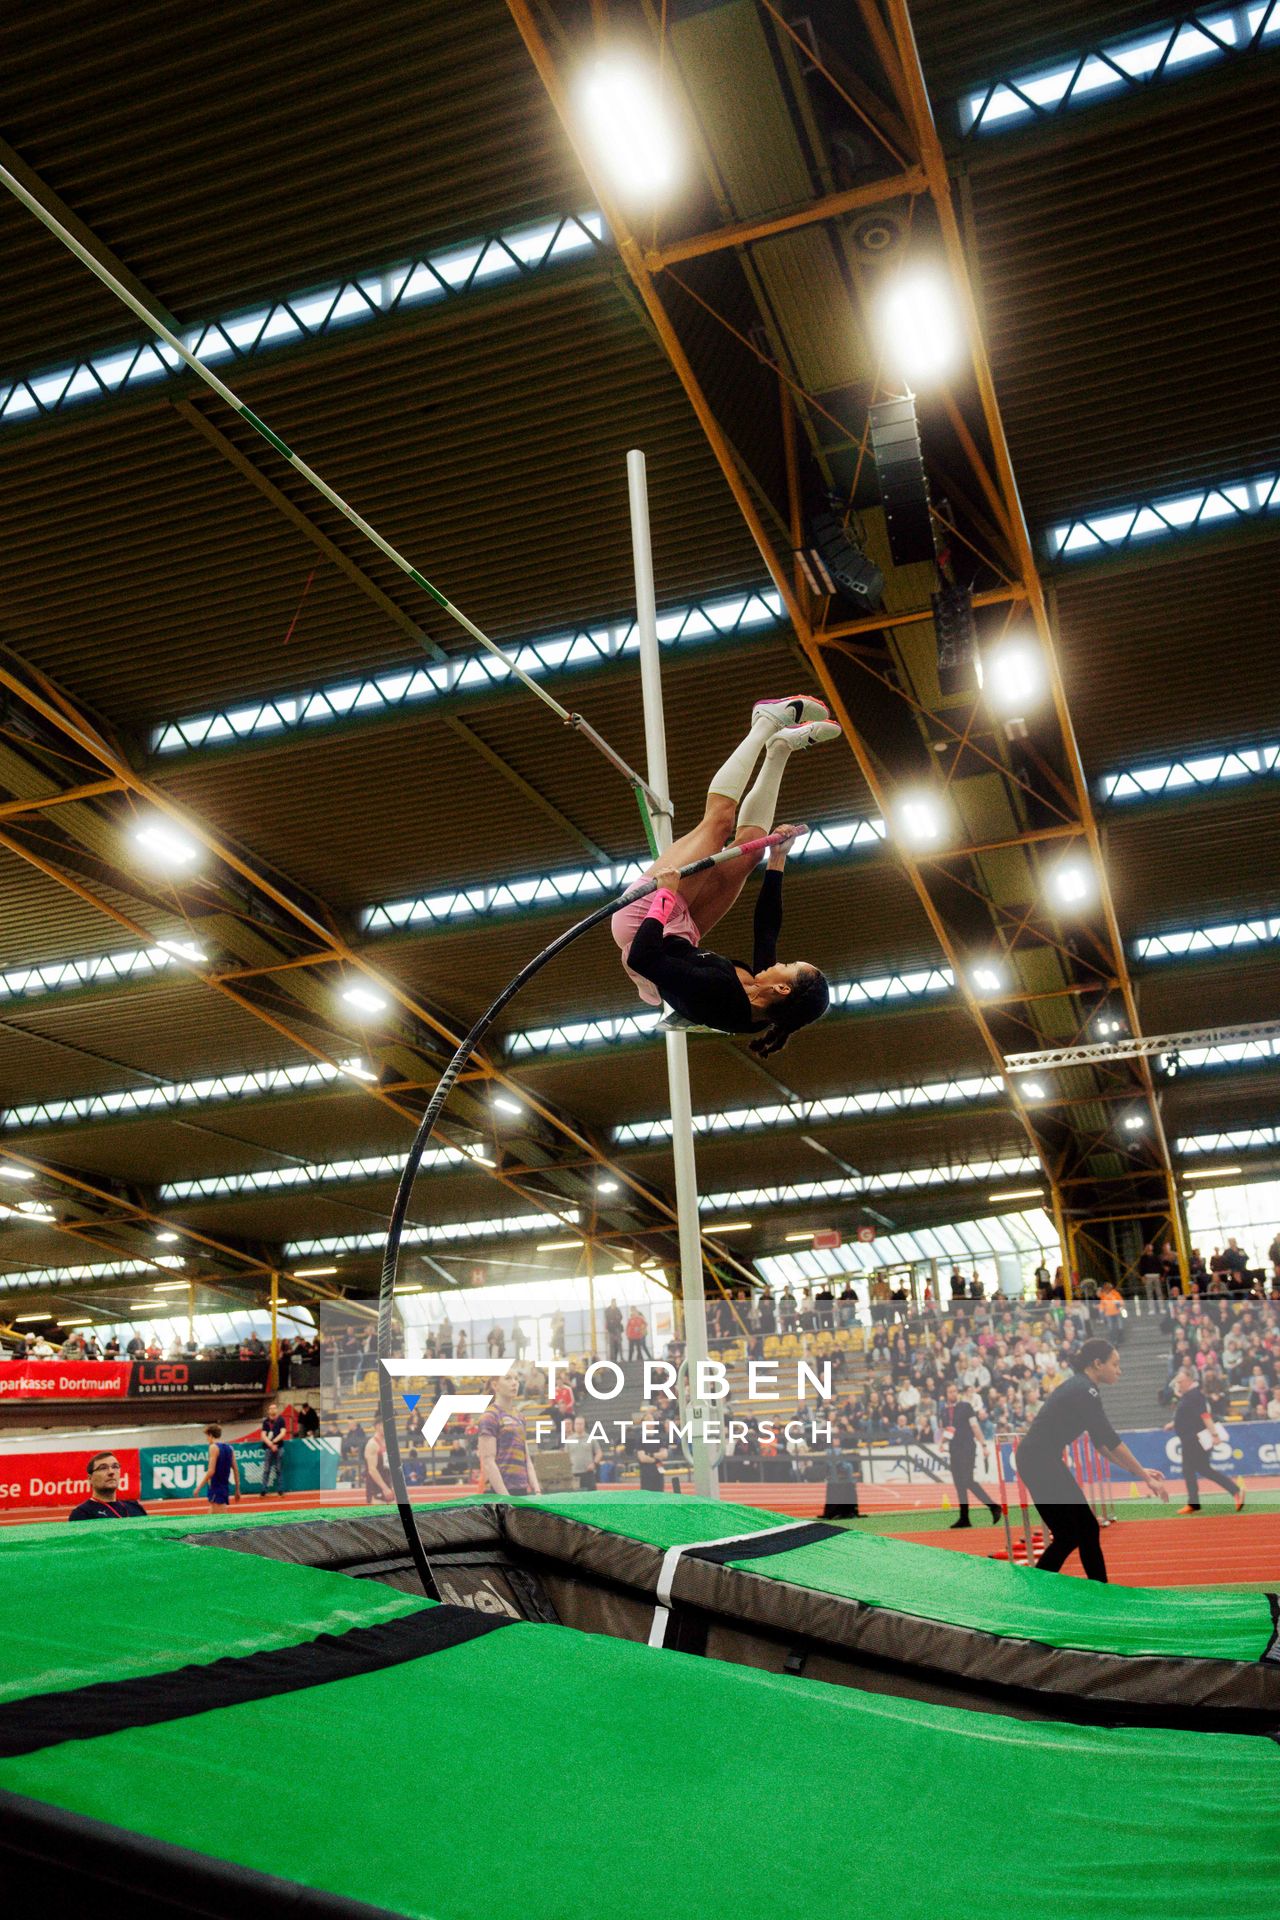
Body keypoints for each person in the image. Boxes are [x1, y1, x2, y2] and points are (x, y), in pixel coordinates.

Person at [610, 696, 839, 1053]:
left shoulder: (719, 995)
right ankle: (779, 748)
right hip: (684, 933)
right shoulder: (764, 998)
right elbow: (766, 928)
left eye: (789, 965)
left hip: (642, 928)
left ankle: (764, 721)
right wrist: (778, 859)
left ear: (784, 988)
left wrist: (666, 895)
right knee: (753, 850)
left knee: (718, 823)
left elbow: (643, 957)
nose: (780, 962)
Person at [1016, 1339, 1166, 1581]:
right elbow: (1111, 1439)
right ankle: (1101, 1592)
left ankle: (1037, 1588)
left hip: (1038, 1460)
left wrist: (1138, 1471)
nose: (1119, 1370)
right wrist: (1145, 1477)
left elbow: (1102, 1445)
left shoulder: (1084, 1389)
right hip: (1040, 1461)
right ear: (1097, 1364)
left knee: (1069, 1534)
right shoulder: (1085, 1390)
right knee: (1085, 1528)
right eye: (1115, 1364)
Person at [1168, 1375, 1245, 1514]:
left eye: (1180, 1382)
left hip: (1195, 1440)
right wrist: (1173, 1424)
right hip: (1189, 1439)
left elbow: (1204, 1415)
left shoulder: (1195, 1395)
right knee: (1193, 1470)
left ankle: (1235, 1491)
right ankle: (1194, 1502)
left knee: (1200, 1469)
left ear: (1188, 1381)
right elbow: (1188, 1415)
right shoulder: (1188, 1396)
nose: (1178, 1385)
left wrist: (1214, 1435)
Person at [944, 1385, 1001, 1530]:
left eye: (955, 1391)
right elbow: (948, 1430)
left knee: (967, 1480)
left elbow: (975, 1426)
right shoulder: (943, 1411)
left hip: (967, 1446)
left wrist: (983, 1445)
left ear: (958, 1393)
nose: (953, 1393)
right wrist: (942, 1442)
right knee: (959, 1484)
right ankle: (964, 1518)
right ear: (946, 1394)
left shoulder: (965, 1406)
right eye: (950, 1391)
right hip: (954, 1449)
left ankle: (993, 1506)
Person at [477, 1372, 541, 1497]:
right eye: (508, 1378)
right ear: (495, 1385)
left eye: (516, 1379)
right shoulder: (489, 1416)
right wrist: (506, 1498)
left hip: (521, 1489)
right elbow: (488, 1461)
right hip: (499, 1492)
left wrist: (537, 1490)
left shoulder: (520, 1416)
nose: (514, 1382)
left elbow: (526, 1458)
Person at [67, 1451, 148, 1521]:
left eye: (115, 1467)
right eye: (103, 1468)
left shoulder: (135, 1507)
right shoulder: (81, 1514)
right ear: (90, 1478)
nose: (111, 1472)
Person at [195, 1424, 241, 1507]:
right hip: (224, 1487)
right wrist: (237, 1489)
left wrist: (199, 1487)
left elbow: (211, 1471)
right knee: (214, 1517)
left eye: (207, 1436)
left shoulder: (213, 1447)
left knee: (219, 1517)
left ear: (211, 1435)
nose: (207, 1439)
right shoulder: (230, 1448)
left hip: (215, 1487)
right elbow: (236, 1469)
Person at [565, 1415, 602, 1490]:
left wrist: (594, 1463)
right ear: (574, 1425)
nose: (578, 1426)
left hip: (588, 1473)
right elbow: (565, 1456)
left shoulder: (591, 1438)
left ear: (584, 1425)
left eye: (581, 1424)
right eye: (577, 1424)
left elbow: (599, 1453)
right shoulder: (569, 1440)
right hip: (574, 1474)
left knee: (591, 1496)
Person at [259, 1399, 286, 1496]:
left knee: (279, 1469)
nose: (273, 1410)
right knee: (266, 1469)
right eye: (271, 1408)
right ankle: (263, 1490)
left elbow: (283, 1433)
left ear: (277, 1410)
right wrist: (270, 1444)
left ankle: (280, 1489)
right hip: (268, 1448)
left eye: (274, 1408)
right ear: (268, 1411)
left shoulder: (281, 1420)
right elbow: (263, 1435)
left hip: (279, 1447)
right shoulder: (265, 1422)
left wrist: (274, 1442)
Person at [364, 1421, 393, 1503]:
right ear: (377, 1426)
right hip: (375, 1488)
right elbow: (372, 1470)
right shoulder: (372, 1445)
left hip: (387, 1483)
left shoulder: (387, 1443)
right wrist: (385, 1488)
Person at [604, 1298, 624, 1365]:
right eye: (613, 1302)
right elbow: (607, 1319)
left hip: (617, 1328)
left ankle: (621, 1357)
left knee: (619, 1344)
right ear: (611, 1303)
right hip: (610, 1330)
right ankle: (612, 1359)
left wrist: (615, 1319)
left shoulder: (617, 1309)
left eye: (615, 1303)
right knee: (611, 1345)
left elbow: (621, 1317)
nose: (614, 1304)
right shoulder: (608, 1310)